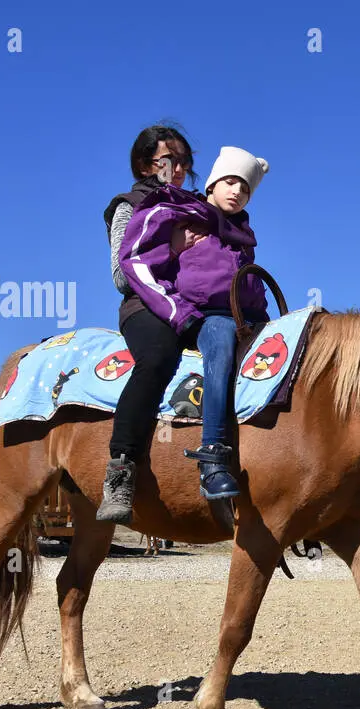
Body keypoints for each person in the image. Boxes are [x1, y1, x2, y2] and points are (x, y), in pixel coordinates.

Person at [117, 146, 270, 500]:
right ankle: (213, 456)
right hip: (202, 316)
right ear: (212, 185)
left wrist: (269, 324)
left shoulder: (243, 240)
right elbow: (138, 263)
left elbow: (252, 290)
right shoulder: (179, 216)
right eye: (230, 182)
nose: (236, 191)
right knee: (221, 344)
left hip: (245, 318)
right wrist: (178, 311)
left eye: (245, 188)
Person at [98, 125, 198, 521]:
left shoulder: (196, 206)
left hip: (196, 304)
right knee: (158, 356)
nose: (178, 170)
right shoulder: (129, 205)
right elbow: (121, 277)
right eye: (168, 161)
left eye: (185, 163)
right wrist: (172, 249)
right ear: (144, 164)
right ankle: (120, 467)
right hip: (145, 306)